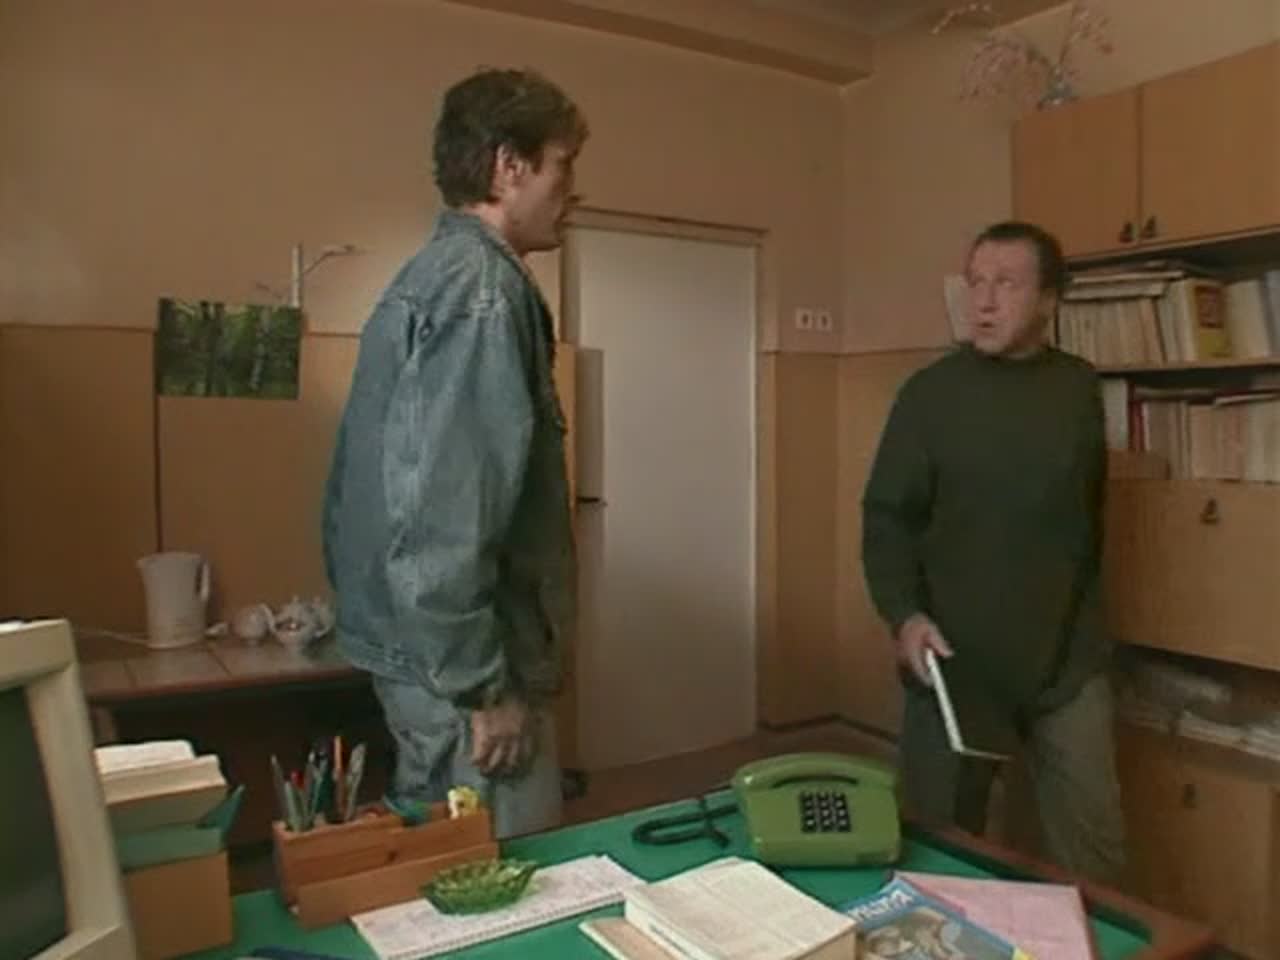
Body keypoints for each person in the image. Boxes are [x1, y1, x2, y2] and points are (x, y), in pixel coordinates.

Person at [321, 67, 587, 839]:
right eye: (563, 165)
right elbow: (446, 515)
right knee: (510, 882)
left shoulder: (427, 279)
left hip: (418, 657)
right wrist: (483, 688)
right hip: (463, 675)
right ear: (510, 166)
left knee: (444, 866)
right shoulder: (482, 292)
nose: (573, 191)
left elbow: (355, 499)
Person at [860, 220, 1125, 884]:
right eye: (975, 282)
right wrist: (904, 617)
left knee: (1094, 852)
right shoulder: (930, 395)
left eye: (1006, 284)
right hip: (953, 663)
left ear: (1049, 300)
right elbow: (886, 519)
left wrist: (1088, 630)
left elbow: (1087, 517)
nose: (983, 301)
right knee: (939, 852)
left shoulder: (1078, 389)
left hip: (1068, 663)